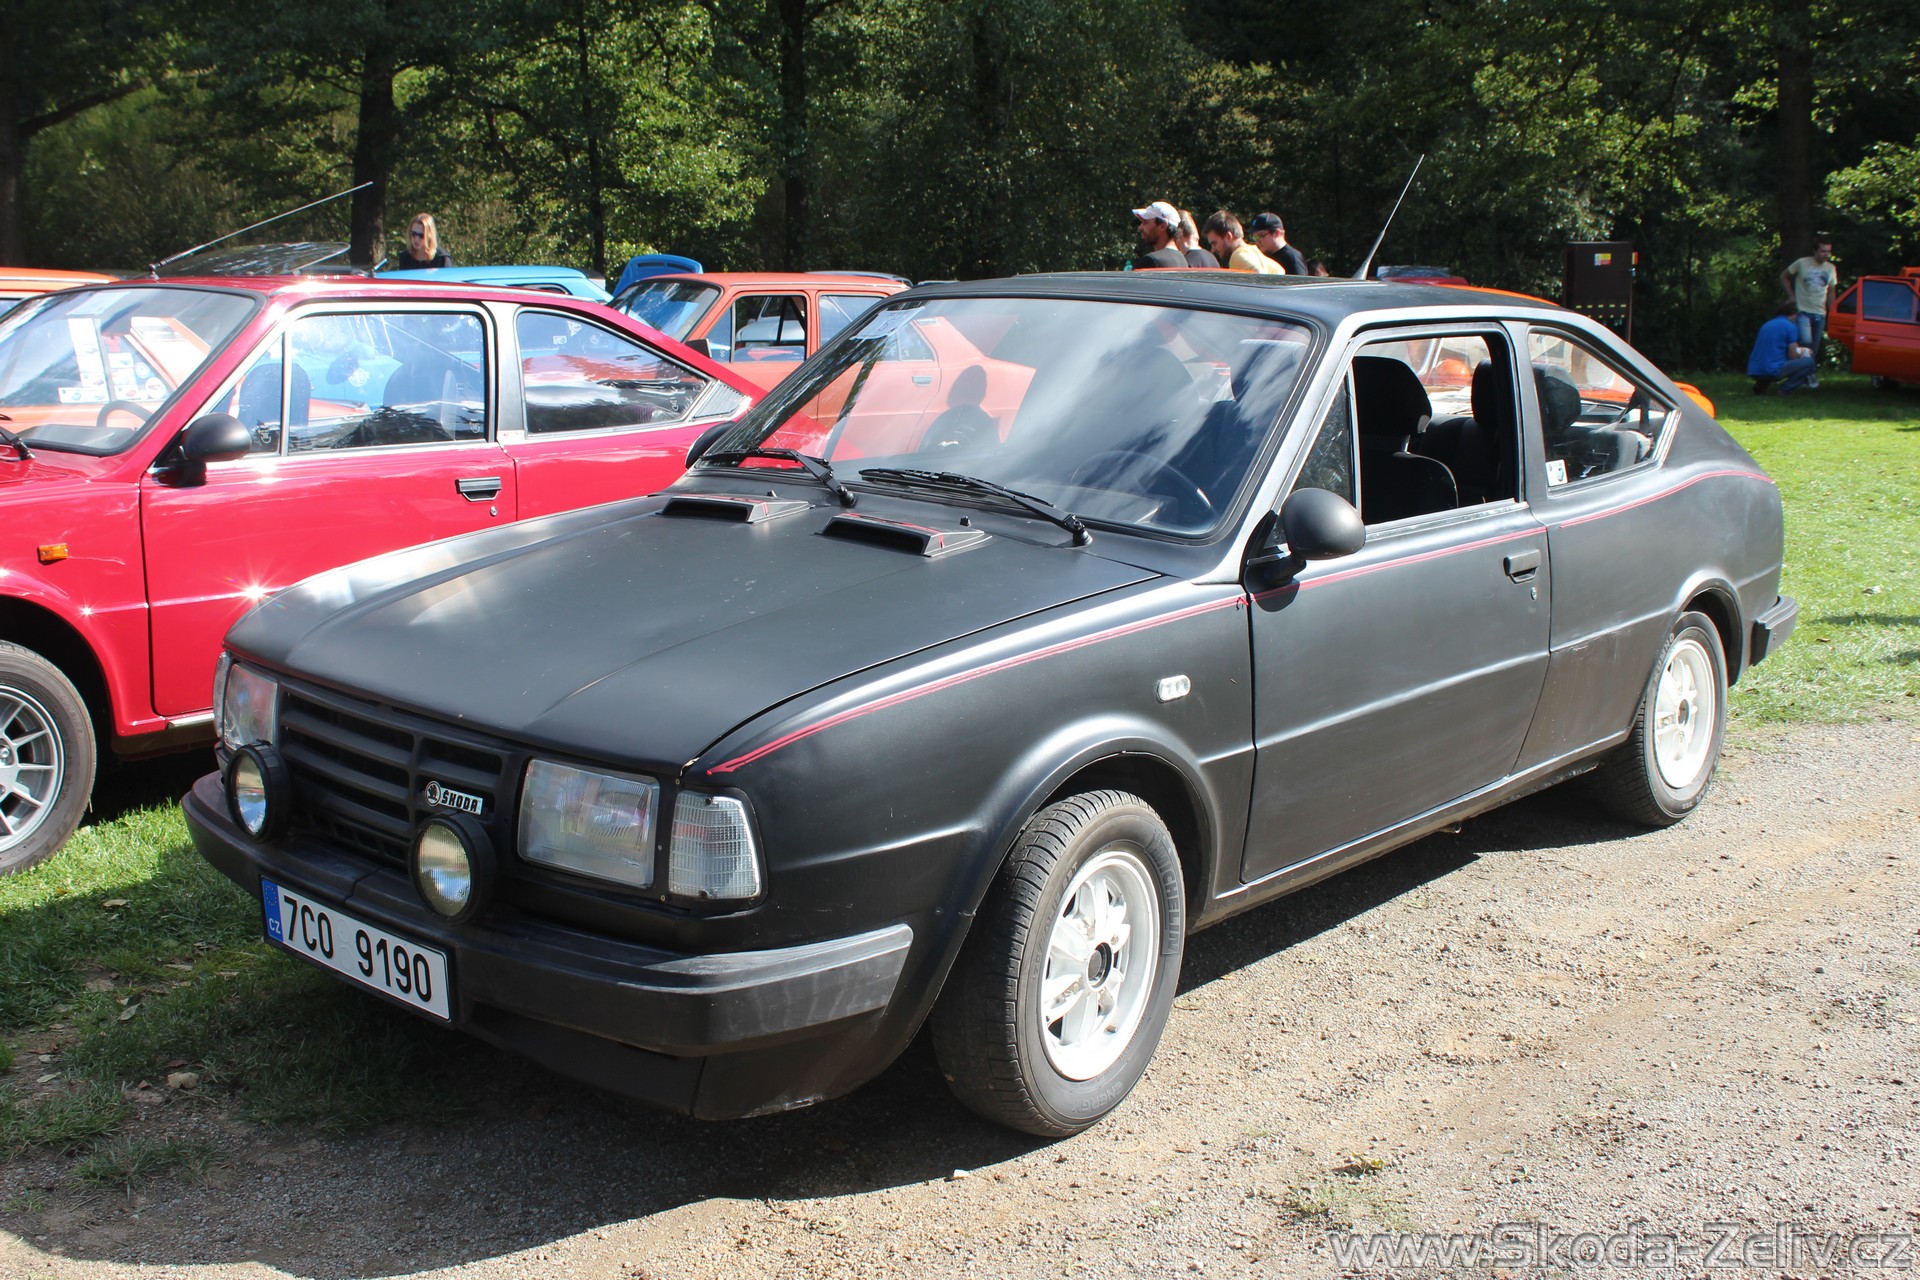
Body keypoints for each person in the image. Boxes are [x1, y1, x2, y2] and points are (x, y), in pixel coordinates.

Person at [1779, 237, 1835, 387]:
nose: (1826, 254)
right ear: (1815, 251)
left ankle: (1804, 374)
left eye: (1828, 251)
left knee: (1813, 348)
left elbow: (1831, 291)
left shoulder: (1831, 268)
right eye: (1823, 251)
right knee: (1805, 342)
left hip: (1820, 313)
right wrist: (1791, 296)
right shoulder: (1802, 263)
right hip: (1803, 310)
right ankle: (1806, 374)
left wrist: (1832, 311)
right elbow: (1784, 276)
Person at [1746, 306, 1816, 395]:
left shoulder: (1766, 325)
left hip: (1754, 370)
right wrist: (1802, 354)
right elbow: (1793, 355)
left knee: (1771, 360)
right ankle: (1785, 389)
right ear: (1793, 315)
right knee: (1810, 363)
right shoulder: (1790, 326)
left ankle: (1760, 386)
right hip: (1773, 370)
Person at [1201, 210, 1281, 274]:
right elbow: (1280, 270)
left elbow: (1260, 276)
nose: (1213, 249)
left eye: (1214, 243)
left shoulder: (1238, 255)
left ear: (1229, 236)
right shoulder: (1253, 251)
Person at [1128, 202, 1189, 270]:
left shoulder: (1151, 261)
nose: (1140, 227)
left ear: (1162, 226)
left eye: (1145, 222)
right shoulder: (1182, 260)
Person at [1248, 212, 1308, 277]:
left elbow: (1300, 283)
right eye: (1256, 237)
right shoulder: (1262, 256)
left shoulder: (1293, 259)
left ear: (1277, 233)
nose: (1257, 241)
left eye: (1262, 235)